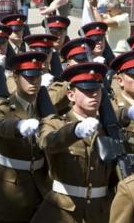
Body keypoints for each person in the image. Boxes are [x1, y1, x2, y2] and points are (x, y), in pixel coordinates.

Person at [31, 62, 115, 223]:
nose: (94, 95)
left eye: (97, 90)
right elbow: (48, 142)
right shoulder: (55, 123)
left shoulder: (109, 127)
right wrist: (74, 131)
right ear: (70, 95)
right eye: (87, 91)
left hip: (99, 212)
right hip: (63, 212)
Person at [0, 52, 50, 222]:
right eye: (28, 77)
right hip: (11, 188)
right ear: (16, 77)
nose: (34, 81)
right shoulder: (3, 107)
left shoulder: (46, 106)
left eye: (37, 76)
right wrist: (18, 126)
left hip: (40, 185)